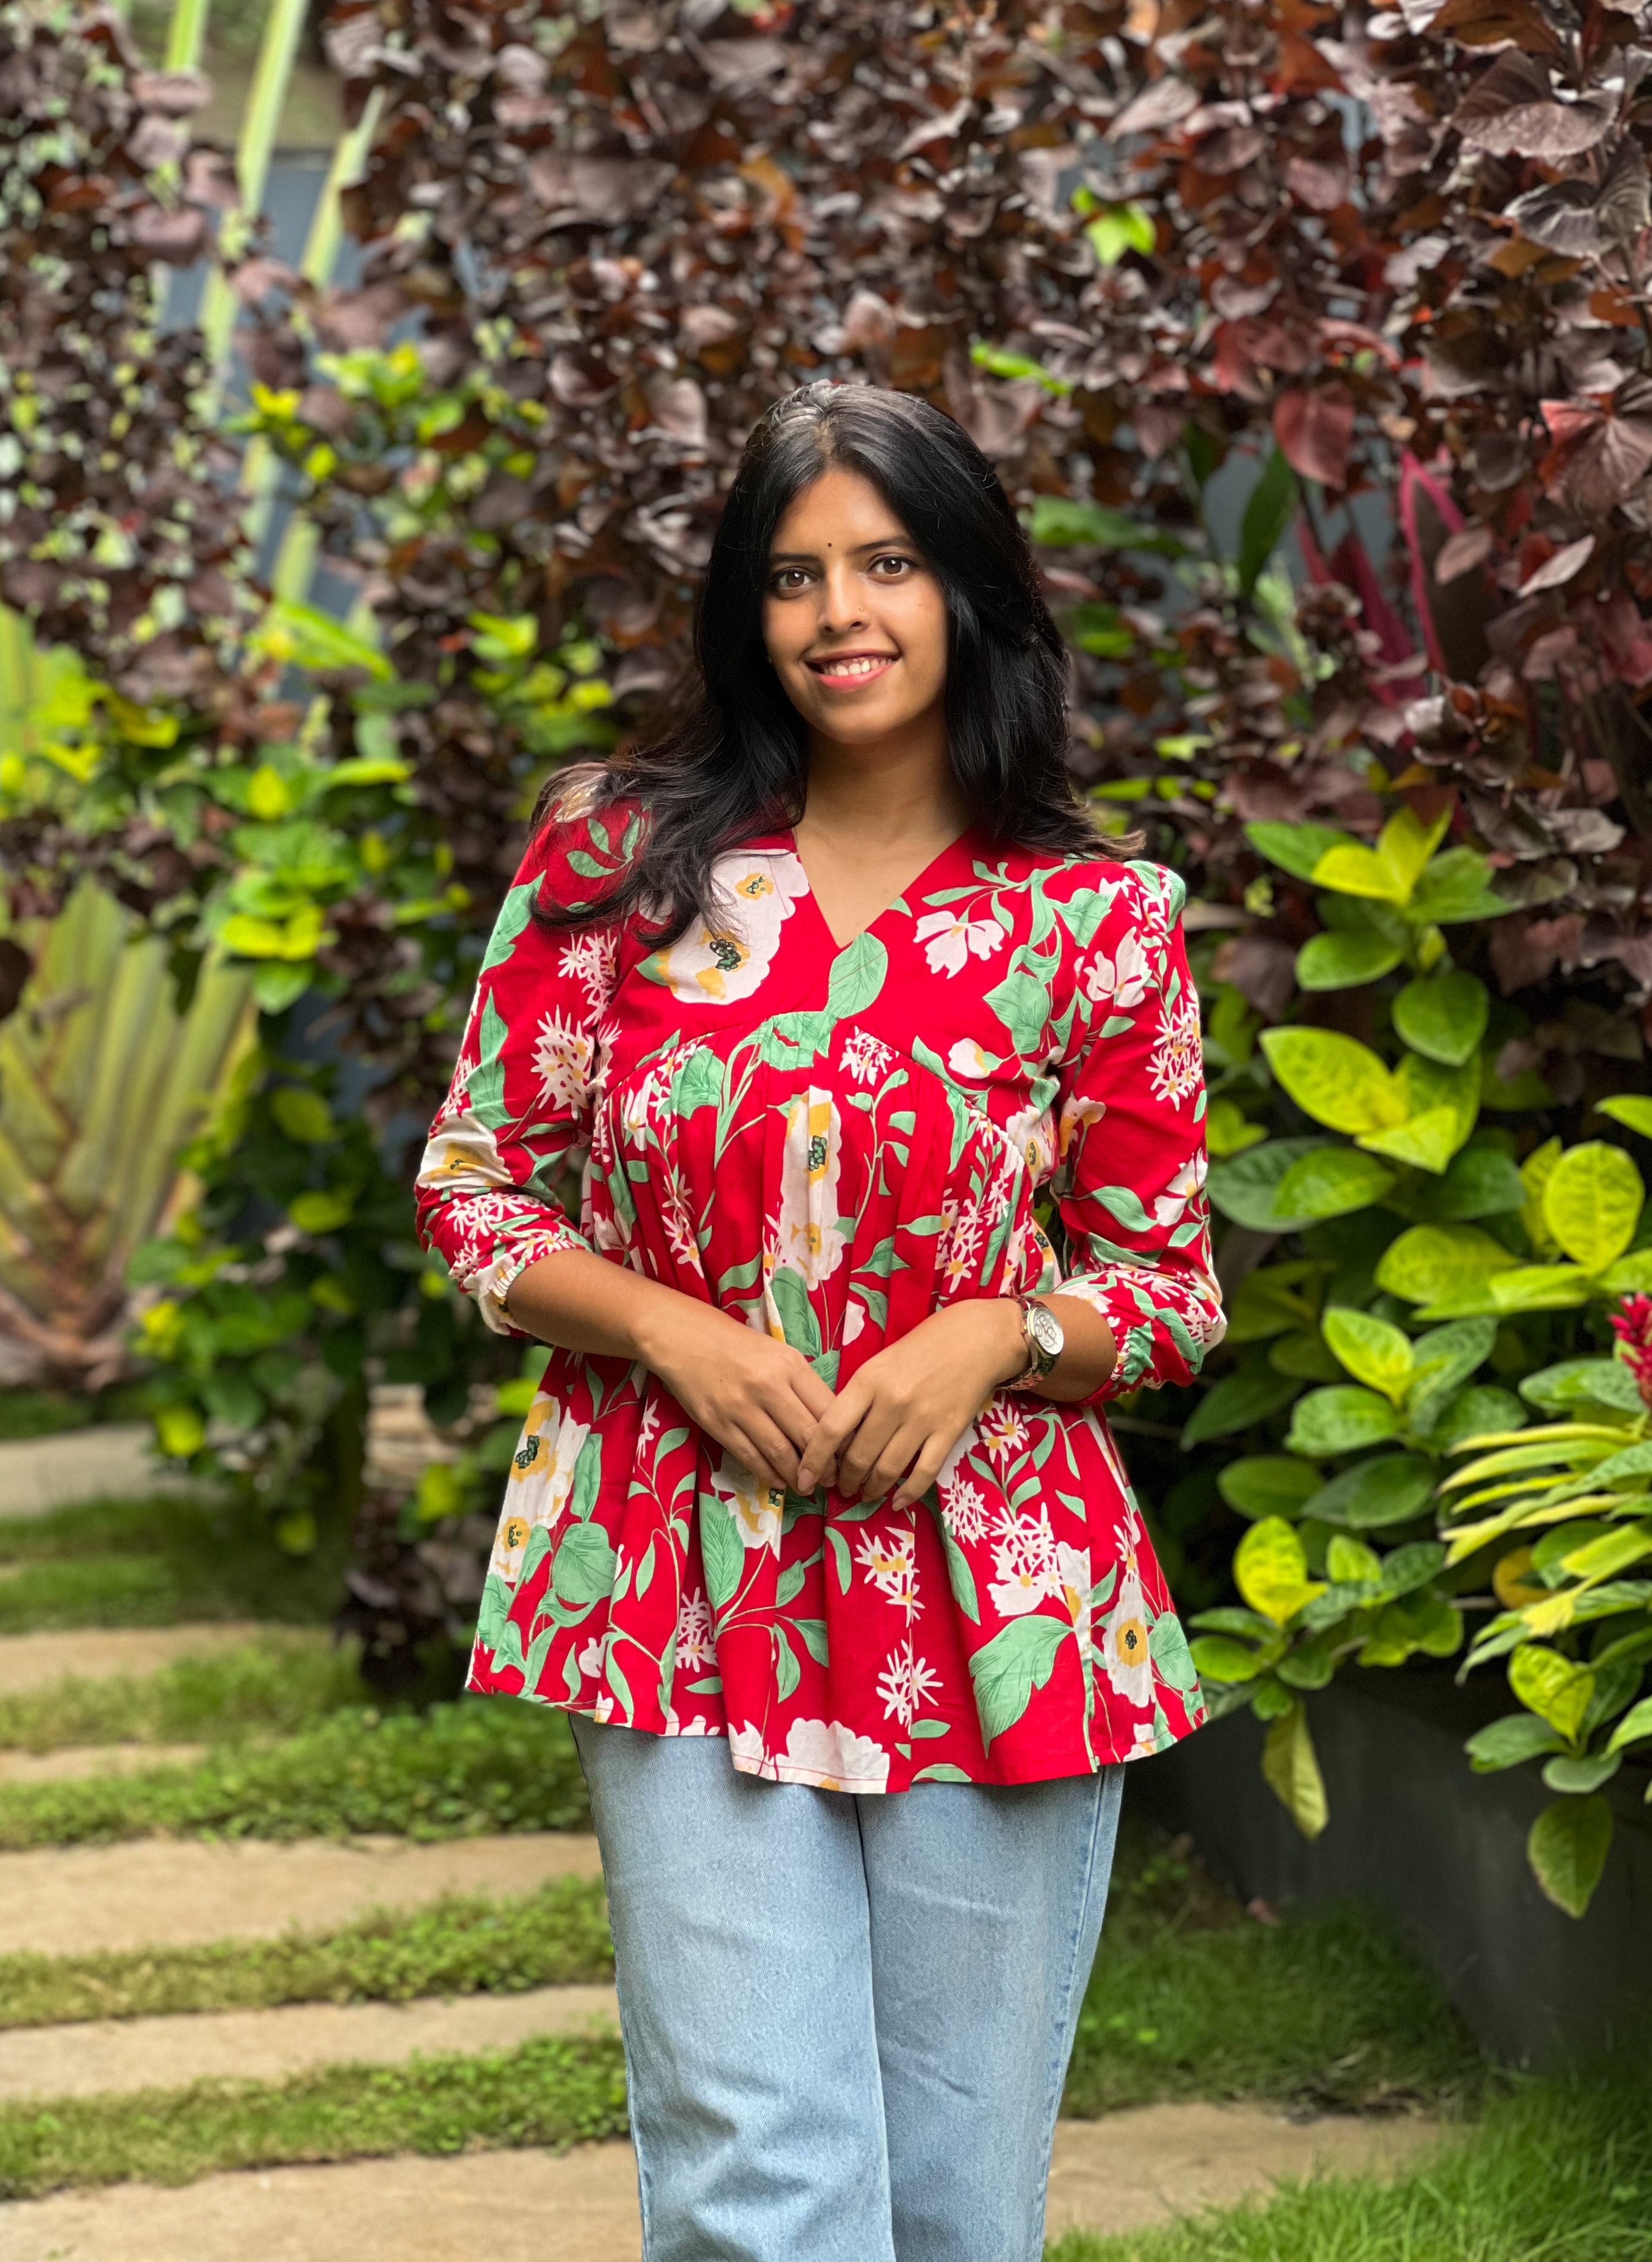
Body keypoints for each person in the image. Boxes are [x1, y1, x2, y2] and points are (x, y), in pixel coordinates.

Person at [415, 383, 1223, 2262]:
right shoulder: (620, 859)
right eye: (791, 575)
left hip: (999, 1596)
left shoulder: (1094, 922)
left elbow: (1164, 1288)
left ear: (969, 593)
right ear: (745, 612)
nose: (838, 612)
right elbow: (476, 1186)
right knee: (759, 2181)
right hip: (669, 1563)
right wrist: (668, 1332)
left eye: (886, 562)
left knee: (954, 2203)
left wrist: (997, 1336)